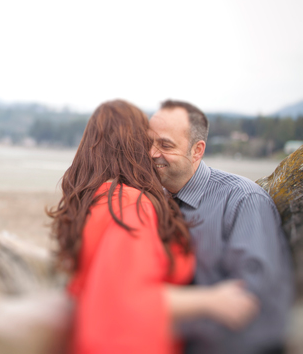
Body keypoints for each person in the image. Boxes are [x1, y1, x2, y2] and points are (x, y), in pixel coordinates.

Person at [47, 100, 259, 354]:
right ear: (134, 145)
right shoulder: (129, 203)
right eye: (149, 141)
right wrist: (212, 301)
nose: (153, 151)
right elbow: (128, 293)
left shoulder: (92, 201)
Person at [148, 100, 294, 354]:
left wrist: (154, 315)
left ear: (197, 150)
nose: (151, 152)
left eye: (165, 144)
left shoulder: (243, 200)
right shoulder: (152, 201)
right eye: (148, 142)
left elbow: (249, 298)